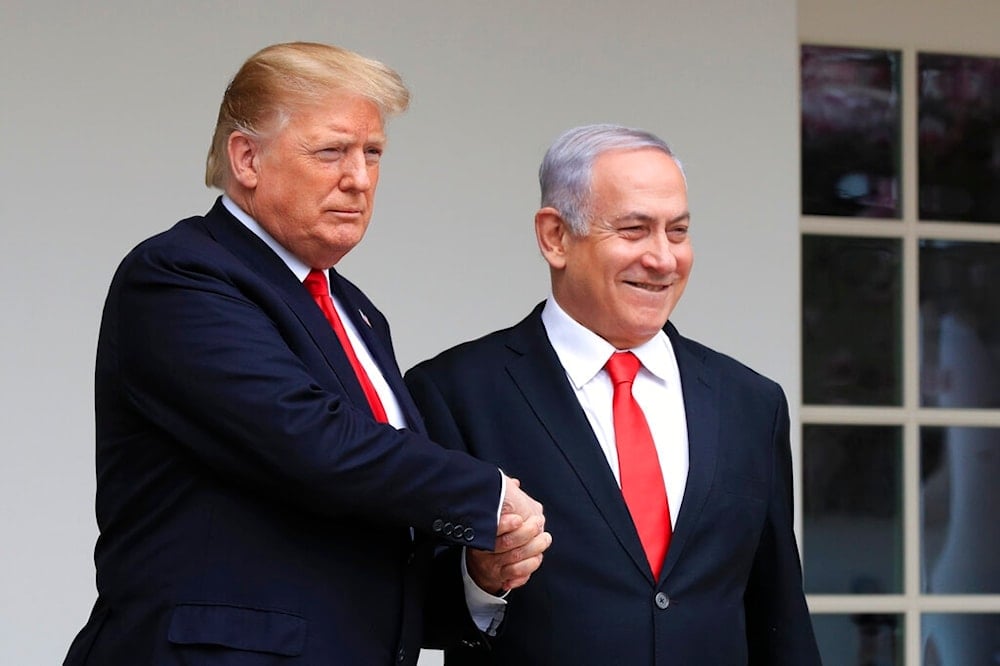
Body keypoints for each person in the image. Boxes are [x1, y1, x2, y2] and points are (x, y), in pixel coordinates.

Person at [63, 42, 549, 666]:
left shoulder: (355, 311)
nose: (360, 178)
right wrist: (486, 496)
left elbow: (366, 532)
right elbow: (312, 443)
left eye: (373, 153)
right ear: (247, 158)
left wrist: (476, 575)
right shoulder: (179, 275)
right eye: (331, 151)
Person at [405, 124, 822, 665]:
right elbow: (403, 604)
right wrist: (481, 578)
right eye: (634, 230)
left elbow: (778, 613)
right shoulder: (452, 392)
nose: (663, 259)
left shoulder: (750, 402)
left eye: (678, 231)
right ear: (555, 237)